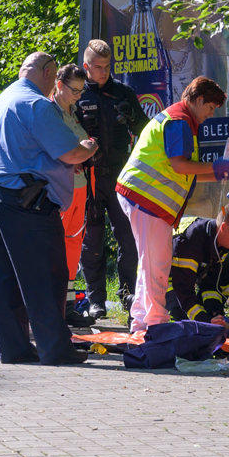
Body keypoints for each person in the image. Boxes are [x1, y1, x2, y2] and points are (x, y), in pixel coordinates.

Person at [0, 52, 99, 365]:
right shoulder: (36, 104)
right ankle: (55, 349)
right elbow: (71, 153)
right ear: (47, 72)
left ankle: (14, 348)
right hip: (26, 199)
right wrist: (89, 147)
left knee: (4, 276)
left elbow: (24, 150)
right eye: (53, 76)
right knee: (47, 273)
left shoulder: (0, 101)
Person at [116, 76, 229, 334]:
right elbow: (180, 165)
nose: (211, 114)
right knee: (158, 264)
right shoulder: (180, 121)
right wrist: (215, 168)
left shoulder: (182, 120)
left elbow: (186, 171)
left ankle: (141, 324)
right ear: (200, 100)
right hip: (146, 199)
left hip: (143, 197)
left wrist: (216, 173)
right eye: (211, 107)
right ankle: (156, 325)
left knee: (150, 263)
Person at [75, 38, 148, 321]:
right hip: (90, 176)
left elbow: (144, 129)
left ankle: (128, 294)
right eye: (97, 67)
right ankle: (96, 300)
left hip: (120, 177)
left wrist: (132, 118)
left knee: (128, 239)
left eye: (106, 67)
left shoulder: (123, 93)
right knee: (92, 242)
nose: (103, 72)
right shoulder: (77, 94)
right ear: (86, 66)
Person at [49, 63, 94, 326]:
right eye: (73, 90)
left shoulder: (75, 112)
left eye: (81, 90)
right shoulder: (49, 112)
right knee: (54, 246)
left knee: (73, 248)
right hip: (59, 188)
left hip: (80, 187)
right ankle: (52, 305)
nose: (78, 95)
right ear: (59, 83)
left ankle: (67, 306)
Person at [166, 205, 229, 325]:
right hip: (164, 279)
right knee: (181, 319)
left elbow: (210, 284)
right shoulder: (192, 240)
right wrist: (205, 320)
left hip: (185, 278)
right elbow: (183, 288)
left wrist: (215, 315)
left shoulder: (219, 242)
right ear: (224, 228)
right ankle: (134, 300)